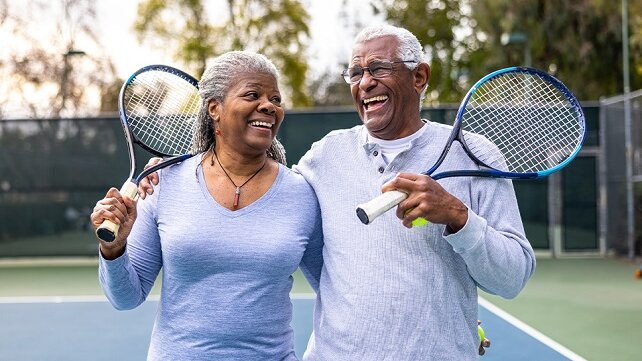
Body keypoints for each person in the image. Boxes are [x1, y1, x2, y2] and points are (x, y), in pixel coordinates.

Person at [140, 24, 532, 360]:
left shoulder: (475, 154)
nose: (365, 82)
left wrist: (458, 218)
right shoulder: (324, 158)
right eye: (355, 72)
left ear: (419, 76)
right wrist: (172, 174)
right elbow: (257, 190)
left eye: (379, 67)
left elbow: (512, 278)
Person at [90, 51, 324, 360]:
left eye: (276, 99)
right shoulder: (163, 182)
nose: (269, 106)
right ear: (214, 108)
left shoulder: (302, 193)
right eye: (253, 94)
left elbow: (336, 290)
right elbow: (126, 297)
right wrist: (114, 248)